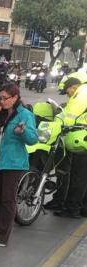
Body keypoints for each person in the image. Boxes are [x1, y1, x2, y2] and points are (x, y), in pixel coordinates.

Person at [0, 84, 37, 247]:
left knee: (7, 199)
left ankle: (2, 237)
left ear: (16, 97)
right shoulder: (1, 113)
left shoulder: (24, 114)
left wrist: (22, 132)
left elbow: (33, 139)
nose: (2, 101)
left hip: (14, 163)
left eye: (6, 98)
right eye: (0, 98)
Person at [54, 74, 87, 218]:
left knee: (79, 175)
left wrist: (63, 125)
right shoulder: (81, 93)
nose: (67, 94)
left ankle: (72, 208)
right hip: (80, 137)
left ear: (73, 87)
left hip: (82, 139)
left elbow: (72, 115)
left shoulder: (82, 93)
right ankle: (77, 206)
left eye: (67, 91)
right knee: (79, 175)